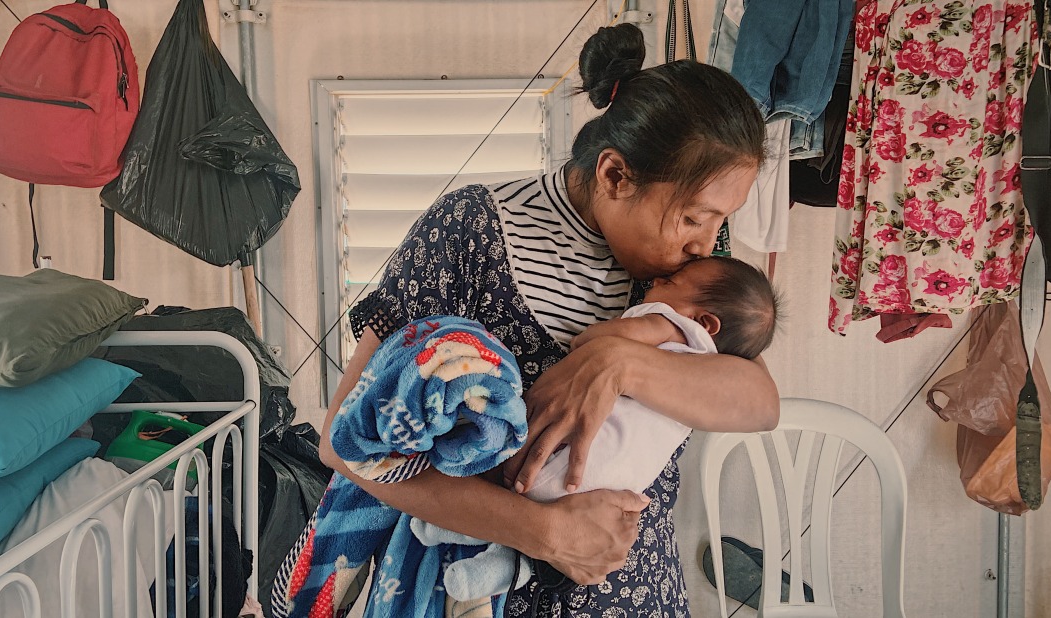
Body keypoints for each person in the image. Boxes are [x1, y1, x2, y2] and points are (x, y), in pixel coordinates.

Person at [292, 21, 780, 618]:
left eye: (720, 220)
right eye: (694, 218)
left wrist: (619, 363)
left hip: (636, 593)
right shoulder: (470, 231)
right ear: (614, 175)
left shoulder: (689, 272)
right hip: (475, 591)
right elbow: (345, 443)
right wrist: (545, 532)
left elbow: (759, 402)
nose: (707, 242)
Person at [410, 255, 781, 603]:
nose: (657, 281)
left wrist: (606, 353)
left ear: (705, 322)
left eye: (671, 281)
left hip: (560, 468)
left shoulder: (670, 322)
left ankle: (460, 531)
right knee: (531, 533)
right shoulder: (715, 362)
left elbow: (592, 342)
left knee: (499, 460)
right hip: (611, 497)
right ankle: (501, 564)